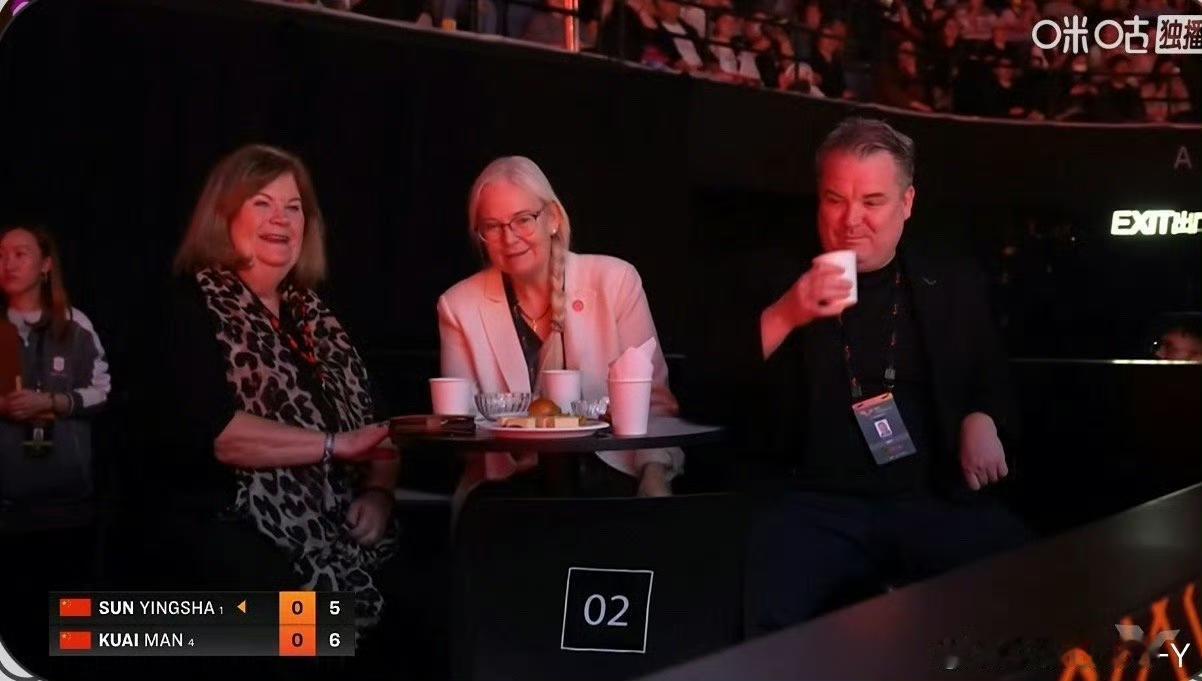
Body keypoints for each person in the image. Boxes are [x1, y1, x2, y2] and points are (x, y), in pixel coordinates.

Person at [738, 118, 1029, 633]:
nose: (852, 220)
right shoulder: (775, 276)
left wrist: (981, 418)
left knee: (1022, 575)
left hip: (926, 498)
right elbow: (715, 381)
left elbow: (990, 375)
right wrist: (787, 313)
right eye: (835, 200)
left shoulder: (949, 282)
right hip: (813, 505)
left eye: (872, 202)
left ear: (907, 203)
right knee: (763, 606)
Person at [161, 144, 400, 624]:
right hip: (230, 527)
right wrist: (333, 445)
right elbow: (220, 436)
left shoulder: (318, 316)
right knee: (304, 625)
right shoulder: (187, 309)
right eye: (262, 203)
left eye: (293, 207)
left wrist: (379, 495)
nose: (281, 219)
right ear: (223, 216)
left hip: (344, 528)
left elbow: (381, 431)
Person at [437, 156, 682, 501]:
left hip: (610, 482)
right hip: (506, 491)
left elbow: (655, 406)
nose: (509, 238)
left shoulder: (616, 281)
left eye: (523, 220)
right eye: (492, 226)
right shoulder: (457, 305)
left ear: (552, 218)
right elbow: (459, 430)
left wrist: (654, 475)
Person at [0, 226, 110, 504]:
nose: (8, 264)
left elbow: (102, 393)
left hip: (65, 496)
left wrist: (52, 402)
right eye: (1, 255)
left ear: (45, 265)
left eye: (20, 254)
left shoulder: (75, 326)